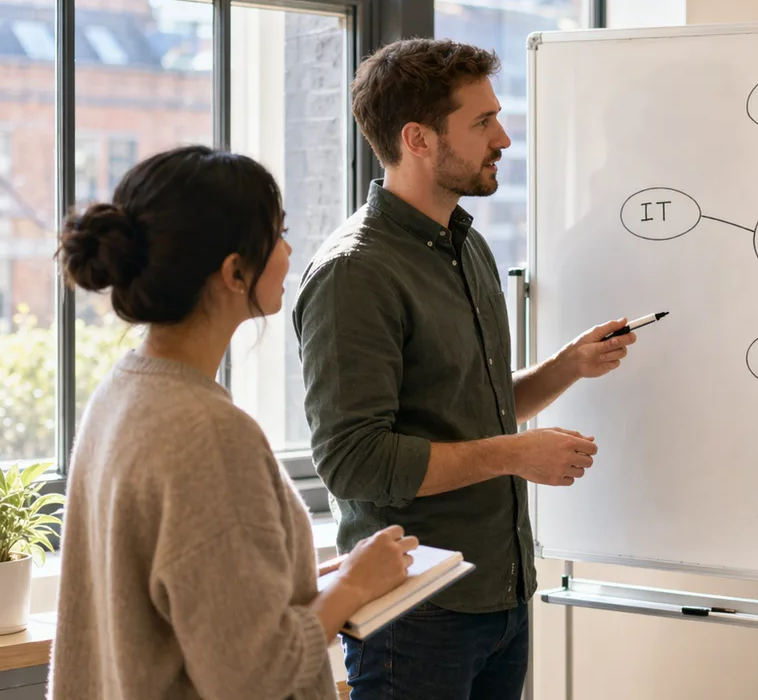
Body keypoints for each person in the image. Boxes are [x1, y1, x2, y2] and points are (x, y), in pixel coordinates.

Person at [292, 38, 637, 700]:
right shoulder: (354, 274)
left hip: (500, 594)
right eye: (482, 122)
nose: (503, 138)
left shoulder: (467, 244)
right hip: (417, 614)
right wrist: (515, 454)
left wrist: (569, 365)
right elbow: (354, 461)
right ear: (418, 139)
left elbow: (472, 410)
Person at [48, 145, 417, 700]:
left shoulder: (121, 391)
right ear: (234, 271)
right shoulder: (209, 435)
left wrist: (324, 581)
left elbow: (190, 603)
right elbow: (256, 673)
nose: (289, 250)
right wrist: (354, 587)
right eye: (279, 233)